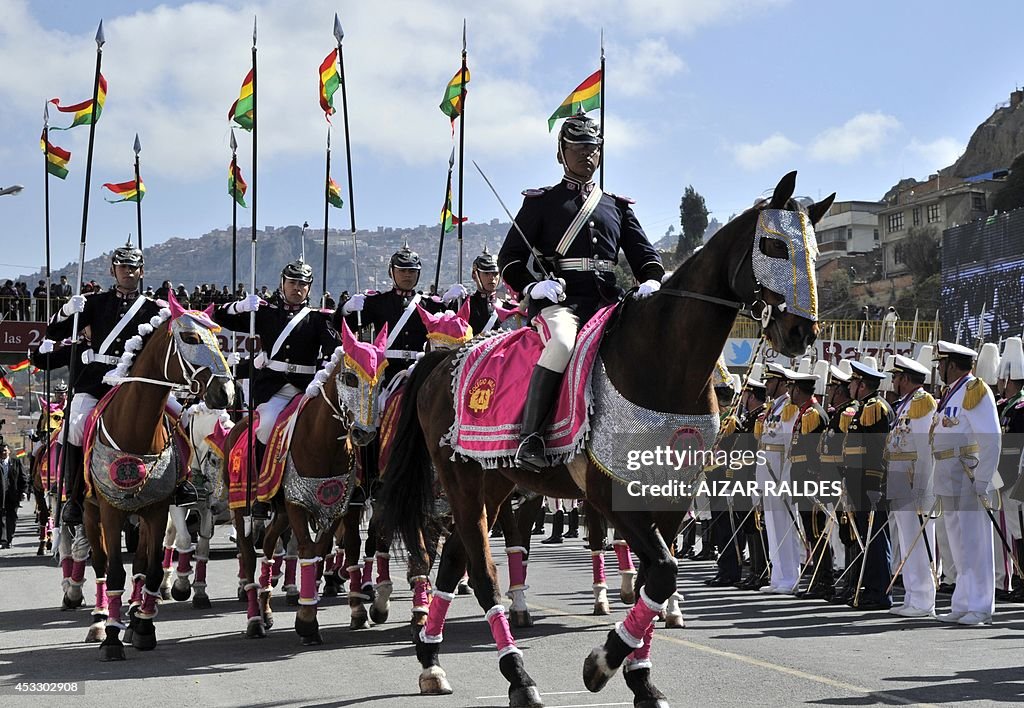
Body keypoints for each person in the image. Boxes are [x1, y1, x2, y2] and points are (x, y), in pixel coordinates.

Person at [497, 111, 664, 471]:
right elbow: (509, 257)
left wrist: (651, 280)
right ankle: (532, 436)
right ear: (561, 152)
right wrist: (532, 286)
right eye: (578, 147)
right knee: (561, 344)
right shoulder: (541, 203)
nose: (586, 155)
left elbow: (646, 257)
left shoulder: (616, 207)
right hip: (563, 304)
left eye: (593, 148)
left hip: (609, 303)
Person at [40, 242, 197, 526]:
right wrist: (66, 311)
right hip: (97, 380)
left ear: (142, 271)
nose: (128, 272)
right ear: (113, 270)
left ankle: (180, 483)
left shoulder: (153, 308)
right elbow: (54, 331)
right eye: (123, 267)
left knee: (181, 418)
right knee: (73, 427)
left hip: (137, 382)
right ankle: (74, 498)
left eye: (133, 267)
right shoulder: (94, 302)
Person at [214, 258, 338, 519]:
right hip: (274, 389)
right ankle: (262, 490)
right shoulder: (266, 313)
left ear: (310, 288)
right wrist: (238, 306)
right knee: (267, 425)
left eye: (303, 284)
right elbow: (218, 316)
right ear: (282, 284)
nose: (297, 288)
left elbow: (333, 351)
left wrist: (323, 374)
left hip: (308, 389)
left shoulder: (318, 319)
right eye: (292, 282)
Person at [931, 341, 1002, 625]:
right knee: (957, 543)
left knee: (975, 542)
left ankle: (981, 606)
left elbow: (992, 438)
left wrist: (983, 480)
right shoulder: (953, 393)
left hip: (969, 473)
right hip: (949, 473)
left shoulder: (975, 390)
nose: (938, 368)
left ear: (952, 364)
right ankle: (962, 602)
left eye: (941, 363)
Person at [883, 354, 937, 618]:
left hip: (915, 479)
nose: (893, 381)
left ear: (905, 379)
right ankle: (913, 596)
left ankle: (924, 599)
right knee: (907, 541)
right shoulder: (904, 405)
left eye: (896, 377)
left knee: (918, 541)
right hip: (899, 477)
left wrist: (923, 485)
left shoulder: (922, 402)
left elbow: (926, 447)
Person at [842, 359, 894, 611]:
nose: (849, 385)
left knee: (876, 538)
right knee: (867, 537)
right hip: (857, 480)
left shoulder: (876, 408)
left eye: (853, 381)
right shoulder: (862, 408)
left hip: (870, 481)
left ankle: (880, 592)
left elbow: (878, 449)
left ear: (862, 385)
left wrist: (874, 481)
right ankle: (871, 588)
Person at [756, 364, 802, 595]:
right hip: (767, 474)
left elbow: (789, 447)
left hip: (779, 475)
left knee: (785, 528)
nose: (766, 385)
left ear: (782, 383)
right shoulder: (773, 408)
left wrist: (785, 479)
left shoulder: (789, 409)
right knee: (773, 528)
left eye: (770, 381)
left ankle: (790, 577)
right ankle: (778, 576)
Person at [464, 248, 517, 335]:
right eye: (486, 273)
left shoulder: (507, 307)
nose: (492, 278)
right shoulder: (465, 304)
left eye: (495, 274)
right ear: (474, 275)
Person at [0, 443, 28, 549]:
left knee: (11, 518)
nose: (3, 452)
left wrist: (24, 491)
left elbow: (23, 478)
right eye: (1, 451)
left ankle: (9, 539)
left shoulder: (16, 462)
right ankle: (3, 540)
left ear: (9, 451)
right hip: (1, 496)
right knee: (1, 518)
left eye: (5, 450)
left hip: (13, 495)